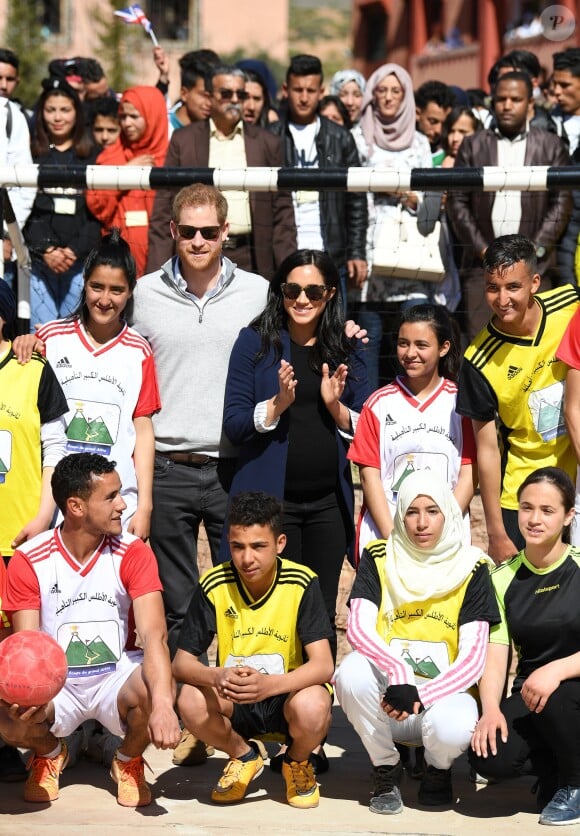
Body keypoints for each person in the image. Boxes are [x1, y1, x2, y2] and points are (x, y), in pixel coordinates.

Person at [0, 453, 181, 807]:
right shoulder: (28, 560)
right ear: (76, 506)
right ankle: (50, 752)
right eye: (111, 496)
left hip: (116, 678)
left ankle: (128, 761)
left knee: (157, 686)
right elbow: (27, 648)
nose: (123, 504)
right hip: (58, 685)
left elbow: (155, 635)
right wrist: (27, 702)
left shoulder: (133, 552)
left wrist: (163, 704)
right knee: (8, 717)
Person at [222, 248, 369, 647]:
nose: (302, 299)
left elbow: (369, 431)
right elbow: (234, 425)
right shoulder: (254, 343)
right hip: (270, 507)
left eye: (313, 291)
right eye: (292, 290)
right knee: (268, 612)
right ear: (279, 292)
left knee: (319, 613)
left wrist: (336, 407)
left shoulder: (349, 347)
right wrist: (276, 406)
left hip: (327, 507)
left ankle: (316, 704)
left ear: (331, 294)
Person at [335, 470, 499, 815]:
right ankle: (386, 766)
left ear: (448, 514)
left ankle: (437, 769)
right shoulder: (379, 557)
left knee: (453, 727)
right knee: (349, 675)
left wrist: (421, 694)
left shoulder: (473, 567)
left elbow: (472, 659)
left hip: (439, 700)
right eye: (412, 511)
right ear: (400, 515)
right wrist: (398, 674)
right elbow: (359, 630)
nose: (421, 523)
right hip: (390, 700)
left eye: (432, 511)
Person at [173, 491, 334, 808]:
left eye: (259, 546)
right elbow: (181, 663)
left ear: (280, 543)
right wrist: (216, 675)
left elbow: (324, 665)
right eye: (238, 546)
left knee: (315, 703)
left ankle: (296, 761)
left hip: (286, 698)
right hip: (236, 698)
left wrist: (269, 685)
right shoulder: (214, 584)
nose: (247, 558)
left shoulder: (302, 583)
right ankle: (243, 755)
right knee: (190, 698)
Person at [12, 230, 160, 540]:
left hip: (117, 503)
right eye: (97, 287)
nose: (105, 299)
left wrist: (144, 505)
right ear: (83, 283)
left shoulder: (138, 350)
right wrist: (24, 343)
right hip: (57, 500)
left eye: (116, 290)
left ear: (131, 291)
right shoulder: (51, 338)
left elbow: (142, 427)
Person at [456, 234, 580, 564]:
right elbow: (487, 449)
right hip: (523, 494)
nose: (502, 298)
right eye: (492, 287)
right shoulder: (477, 359)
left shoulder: (570, 306)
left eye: (513, 286)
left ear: (535, 283)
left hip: (575, 483)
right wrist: (496, 532)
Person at [470, 467, 580, 826]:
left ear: (568, 516)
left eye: (547, 511)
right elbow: (496, 653)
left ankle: (576, 785)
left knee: (557, 697)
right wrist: (489, 709)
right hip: (536, 694)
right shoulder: (502, 578)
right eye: (526, 507)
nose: (534, 519)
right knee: (490, 756)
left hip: (568, 690)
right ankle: (559, 768)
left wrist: (559, 669)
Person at [447, 71, 571, 340]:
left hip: (535, 266)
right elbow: (457, 202)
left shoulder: (550, 145)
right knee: (482, 351)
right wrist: (482, 250)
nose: (506, 105)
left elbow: (562, 202)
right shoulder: (472, 145)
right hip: (483, 270)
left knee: (535, 346)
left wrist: (534, 251)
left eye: (515, 99)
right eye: (501, 99)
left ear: (530, 104)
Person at [348, 304, 476, 557]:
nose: (410, 353)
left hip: (446, 540)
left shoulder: (461, 404)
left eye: (421, 345)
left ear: (444, 348)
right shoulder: (378, 404)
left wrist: (444, 525)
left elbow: (469, 473)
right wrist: (393, 537)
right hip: (387, 538)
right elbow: (369, 477)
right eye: (403, 343)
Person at [147, 65, 296, 279]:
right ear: (210, 97)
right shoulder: (184, 140)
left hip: (252, 257)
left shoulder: (268, 143)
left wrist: (288, 271)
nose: (235, 99)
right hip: (198, 254)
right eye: (226, 94)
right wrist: (157, 274)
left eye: (241, 94)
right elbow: (164, 208)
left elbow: (283, 214)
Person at [352, 62, 432, 390]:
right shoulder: (357, 139)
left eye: (395, 91)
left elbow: (430, 204)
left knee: (416, 349)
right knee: (366, 352)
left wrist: (401, 193)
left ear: (406, 96)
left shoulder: (421, 143)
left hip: (411, 261)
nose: (387, 98)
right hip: (370, 263)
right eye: (381, 91)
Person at [269, 54, 368, 304]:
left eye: (310, 90)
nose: (304, 97)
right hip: (283, 254)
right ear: (285, 90)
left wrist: (356, 251)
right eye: (298, 89)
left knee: (332, 335)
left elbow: (356, 200)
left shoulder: (340, 137)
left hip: (331, 253)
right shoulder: (270, 136)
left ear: (321, 92)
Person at [24, 78, 100, 328]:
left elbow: (97, 213)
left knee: (73, 334)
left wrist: (72, 251)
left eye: (65, 110)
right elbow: (27, 208)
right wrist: (47, 250)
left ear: (77, 113)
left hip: (80, 262)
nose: (57, 117)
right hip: (39, 262)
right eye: (50, 110)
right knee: (41, 335)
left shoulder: (93, 154)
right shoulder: (31, 152)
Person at [85, 86, 169, 277]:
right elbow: (96, 205)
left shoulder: (172, 159)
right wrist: (124, 175)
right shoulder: (110, 157)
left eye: (134, 116)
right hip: (116, 262)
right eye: (123, 116)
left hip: (163, 261)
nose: (127, 123)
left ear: (152, 116)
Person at [414, 80, 455, 166]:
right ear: (417, 113)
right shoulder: (403, 153)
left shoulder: (452, 155)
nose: (438, 130)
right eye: (433, 121)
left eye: (444, 124)